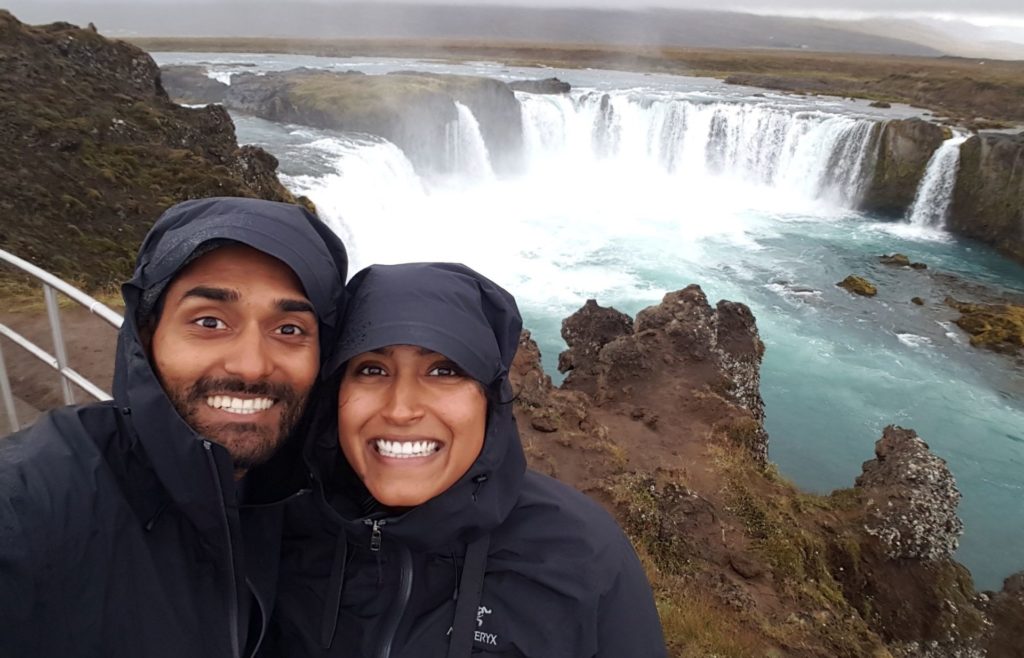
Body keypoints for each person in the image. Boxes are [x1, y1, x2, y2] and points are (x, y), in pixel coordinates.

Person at [0, 197, 348, 658]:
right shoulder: (29, 505)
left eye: (289, 330)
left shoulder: (326, 506)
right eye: (209, 321)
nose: (251, 365)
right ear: (146, 336)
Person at [269, 262, 667, 657]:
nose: (401, 409)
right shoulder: (278, 531)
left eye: (444, 371)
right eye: (372, 369)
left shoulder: (582, 555)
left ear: (490, 401)